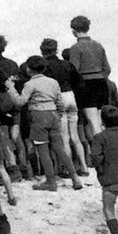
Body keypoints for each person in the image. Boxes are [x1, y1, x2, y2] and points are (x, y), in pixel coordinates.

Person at [5, 56, 83, 191]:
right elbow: (59, 101)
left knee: (43, 150)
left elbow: (20, 101)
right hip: (53, 114)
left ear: (28, 69)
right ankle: (75, 177)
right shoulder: (53, 82)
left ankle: (51, 182)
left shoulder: (29, 84)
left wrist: (11, 88)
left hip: (38, 116)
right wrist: (58, 116)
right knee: (59, 148)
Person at [41, 38, 90, 177]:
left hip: (59, 97)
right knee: (75, 136)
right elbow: (80, 83)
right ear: (56, 49)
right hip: (70, 96)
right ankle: (84, 167)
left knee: (64, 137)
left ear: (42, 50)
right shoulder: (67, 64)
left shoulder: (45, 67)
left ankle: (69, 169)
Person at [0, 32, 28, 181]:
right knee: (17, 136)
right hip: (14, 97)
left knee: (4, 137)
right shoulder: (12, 63)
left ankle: (13, 168)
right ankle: (25, 167)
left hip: (1, 101)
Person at [69, 15, 111, 139]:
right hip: (101, 84)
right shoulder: (98, 45)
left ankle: (102, 150)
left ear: (74, 31)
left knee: (93, 122)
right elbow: (107, 68)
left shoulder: (75, 48)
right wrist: (100, 77)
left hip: (87, 86)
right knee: (100, 120)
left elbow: (74, 71)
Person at [91, 106, 118, 234]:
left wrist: (101, 172)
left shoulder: (100, 137)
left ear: (103, 122)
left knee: (108, 209)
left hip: (110, 177)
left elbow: (96, 157)